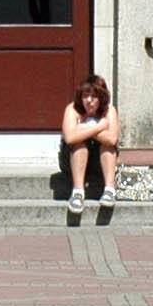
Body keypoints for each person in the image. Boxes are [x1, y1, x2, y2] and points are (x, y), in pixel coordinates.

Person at [59, 73, 120, 215]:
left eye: (94, 96)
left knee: (107, 147)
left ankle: (109, 190)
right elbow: (69, 138)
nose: (89, 101)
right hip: (72, 161)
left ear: (102, 98)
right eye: (85, 96)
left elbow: (112, 139)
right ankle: (78, 193)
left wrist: (82, 127)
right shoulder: (72, 109)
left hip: (100, 162)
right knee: (79, 145)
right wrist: (98, 127)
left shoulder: (109, 111)